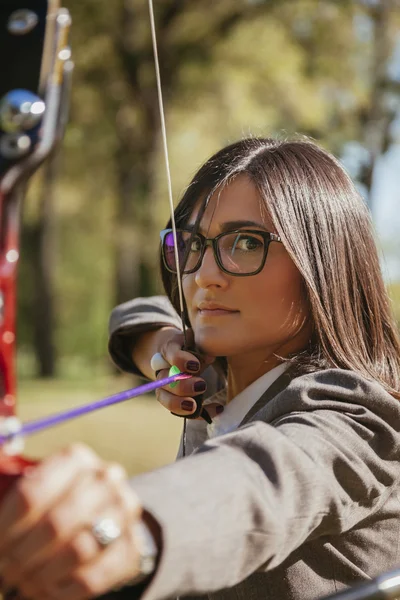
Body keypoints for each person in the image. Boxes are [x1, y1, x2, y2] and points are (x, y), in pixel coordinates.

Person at [1, 137, 400, 600]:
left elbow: (261, 484)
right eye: (192, 243)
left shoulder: (358, 417)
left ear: (323, 263)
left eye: (246, 243)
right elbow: (137, 313)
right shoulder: (221, 375)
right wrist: (161, 347)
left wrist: (126, 526)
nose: (203, 275)